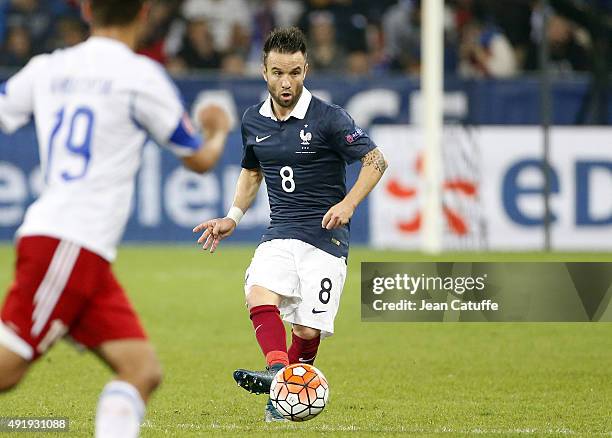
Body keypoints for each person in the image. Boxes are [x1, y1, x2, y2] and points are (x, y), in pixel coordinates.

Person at [0, 1, 230, 437]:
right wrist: (217, 128)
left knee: (142, 370)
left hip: (79, 248)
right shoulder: (140, 76)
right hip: (70, 240)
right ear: (144, 13)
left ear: (87, 10)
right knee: (8, 369)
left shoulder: (48, 67)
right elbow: (198, 159)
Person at [193, 26, 387, 422]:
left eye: (295, 73)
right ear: (264, 72)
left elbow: (376, 161)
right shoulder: (253, 120)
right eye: (278, 72)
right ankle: (279, 373)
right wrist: (233, 217)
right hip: (280, 231)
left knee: (306, 332)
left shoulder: (329, 118)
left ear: (306, 70)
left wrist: (348, 204)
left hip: (326, 241)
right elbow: (252, 173)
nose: (287, 82)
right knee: (259, 293)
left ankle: (281, 398)